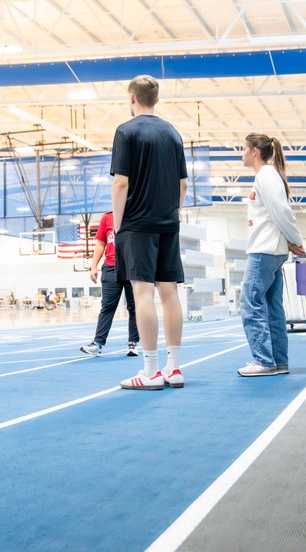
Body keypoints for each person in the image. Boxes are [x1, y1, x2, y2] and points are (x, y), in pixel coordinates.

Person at [111, 75, 187, 391]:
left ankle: (151, 369)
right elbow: (183, 184)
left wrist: (117, 224)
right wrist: (173, 212)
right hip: (168, 222)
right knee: (170, 293)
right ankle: (174, 368)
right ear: (155, 99)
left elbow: (120, 183)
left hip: (137, 224)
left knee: (143, 293)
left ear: (132, 98)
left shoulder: (126, 131)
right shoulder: (173, 133)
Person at [238, 133, 305, 377]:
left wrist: (295, 240)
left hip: (263, 252)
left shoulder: (266, 175)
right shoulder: (269, 176)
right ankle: (278, 361)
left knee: (250, 304)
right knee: (272, 307)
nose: (241, 153)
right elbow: (280, 213)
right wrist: (290, 242)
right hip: (272, 252)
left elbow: (282, 212)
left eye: (244, 149)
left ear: (255, 151)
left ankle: (263, 360)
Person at [80, 210, 140, 357]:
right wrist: (94, 266)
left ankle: (133, 343)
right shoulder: (107, 217)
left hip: (133, 267)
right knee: (107, 307)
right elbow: (101, 243)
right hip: (111, 267)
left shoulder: (137, 212)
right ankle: (98, 344)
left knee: (135, 308)